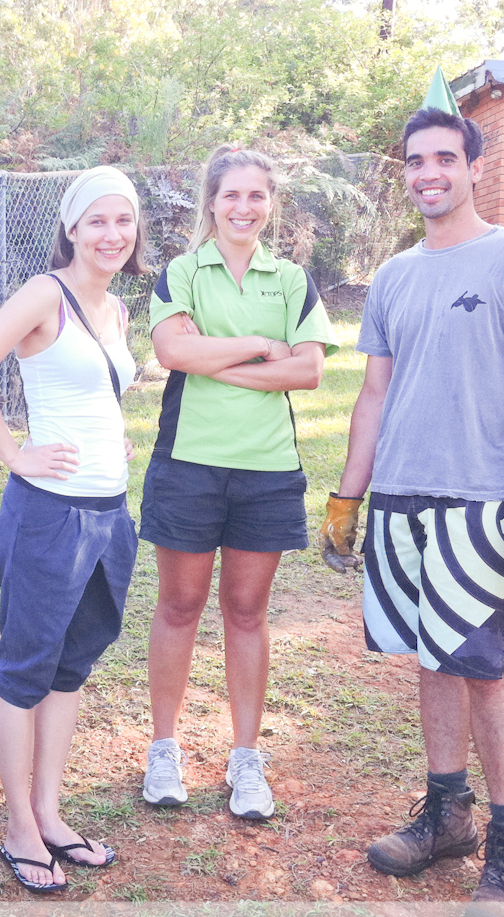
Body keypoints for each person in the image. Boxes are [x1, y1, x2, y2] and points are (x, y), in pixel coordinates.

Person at [318, 101, 504, 917]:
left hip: (478, 502)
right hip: (398, 498)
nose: (428, 173)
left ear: (473, 167)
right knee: (432, 658)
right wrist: (348, 494)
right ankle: (446, 814)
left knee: (487, 673)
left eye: (443, 158)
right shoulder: (393, 276)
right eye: (415, 160)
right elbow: (374, 393)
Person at [0, 165, 144, 892]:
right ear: (70, 227)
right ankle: (18, 829)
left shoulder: (116, 308)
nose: (111, 234)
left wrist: (111, 442)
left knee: (70, 667)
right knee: (26, 669)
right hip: (50, 515)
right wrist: (13, 453)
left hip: (109, 514)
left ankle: (50, 814)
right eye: (97, 220)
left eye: (122, 220)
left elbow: (92, 395)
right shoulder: (44, 294)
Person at [139, 146, 337, 818]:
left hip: (267, 469)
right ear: (212, 202)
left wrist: (213, 359)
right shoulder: (182, 272)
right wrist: (257, 345)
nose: (244, 207)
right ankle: (163, 748)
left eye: (256, 195)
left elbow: (308, 370)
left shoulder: (292, 280)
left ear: (270, 204)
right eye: (231, 195)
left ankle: (246, 758)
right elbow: (172, 351)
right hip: (189, 463)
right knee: (179, 605)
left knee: (247, 611)